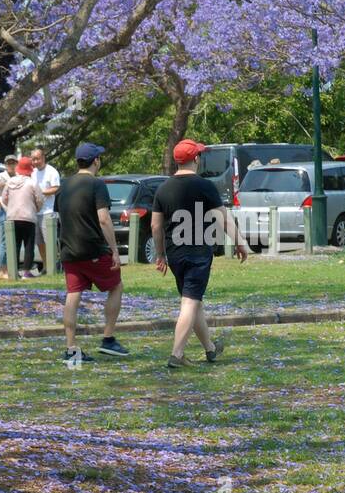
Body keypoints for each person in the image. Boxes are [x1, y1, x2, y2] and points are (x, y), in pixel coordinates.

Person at [151, 139, 248, 368]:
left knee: (194, 302)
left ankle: (210, 349)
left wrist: (160, 254)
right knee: (190, 302)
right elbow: (223, 218)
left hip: (175, 254)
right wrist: (240, 243)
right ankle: (176, 354)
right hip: (198, 252)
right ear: (196, 159)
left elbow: (156, 226)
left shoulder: (163, 188)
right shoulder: (204, 186)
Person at [57, 142, 128, 361]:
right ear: (96, 161)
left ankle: (71, 349)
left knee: (73, 295)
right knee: (116, 286)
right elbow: (104, 219)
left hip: (69, 249)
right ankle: (108, 339)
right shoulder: (96, 184)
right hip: (93, 249)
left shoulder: (64, 185)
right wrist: (115, 250)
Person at [0, 155, 43, 279]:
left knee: (13, 245)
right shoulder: (32, 182)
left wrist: (9, 206)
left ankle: (13, 271)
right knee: (28, 245)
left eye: (13, 163)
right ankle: (25, 272)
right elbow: (40, 199)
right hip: (28, 217)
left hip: (11, 217)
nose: (11, 165)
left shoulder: (10, 181)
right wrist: (35, 209)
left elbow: (5, 198)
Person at [30, 148, 61, 274]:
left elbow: (56, 188)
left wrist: (41, 192)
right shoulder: (33, 173)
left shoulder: (51, 171)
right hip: (36, 212)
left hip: (48, 211)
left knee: (50, 242)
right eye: (33, 159)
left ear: (43, 158)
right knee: (40, 242)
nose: (35, 162)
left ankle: (55, 266)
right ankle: (46, 266)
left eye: (37, 159)